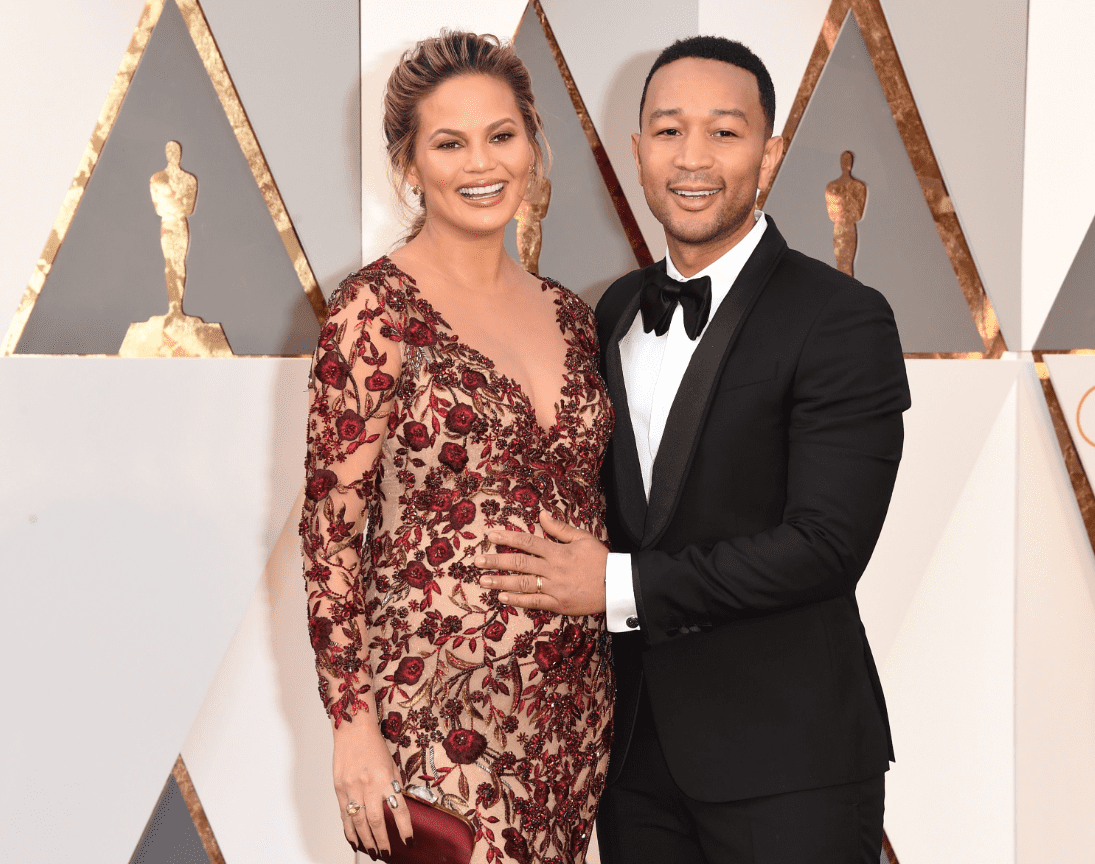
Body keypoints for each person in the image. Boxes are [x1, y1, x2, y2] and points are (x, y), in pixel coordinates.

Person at [477, 36, 910, 863]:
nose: (693, 158)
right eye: (669, 131)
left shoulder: (843, 318)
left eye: (725, 131)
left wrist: (611, 584)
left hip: (790, 762)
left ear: (769, 151)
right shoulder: (607, 315)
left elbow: (826, 546)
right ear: (637, 152)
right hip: (633, 763)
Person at [300, 31, 614, 864]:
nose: (482, 162)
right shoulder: (373, 311)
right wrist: (352, 727)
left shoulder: (573, 316)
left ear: (531, 146)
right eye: (450, 142)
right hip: (437, 718)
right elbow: (330, 535)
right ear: (410, 165)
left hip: (572, 710)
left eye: (501, 135)